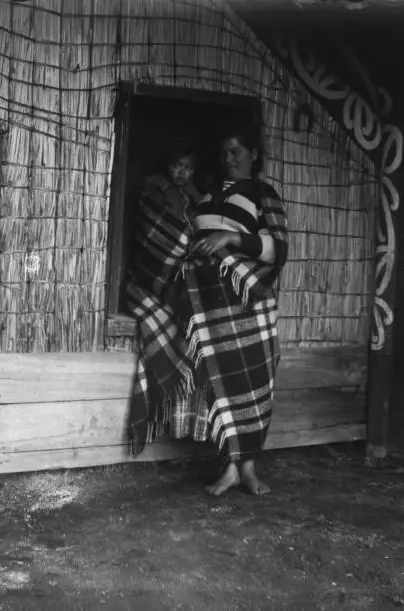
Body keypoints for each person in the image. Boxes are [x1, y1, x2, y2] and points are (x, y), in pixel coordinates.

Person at [125, 127, 288, 497]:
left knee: (251, 384)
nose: (229, 159)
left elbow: (276, 248)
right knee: (222, 382)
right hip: (208, 303)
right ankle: (231, 468)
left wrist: (230, 239)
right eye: (224, 154)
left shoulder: (264, 194)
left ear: (254, 155)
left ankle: (247, 468)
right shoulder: (207, 194)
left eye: (236, 152)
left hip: (245, 303)